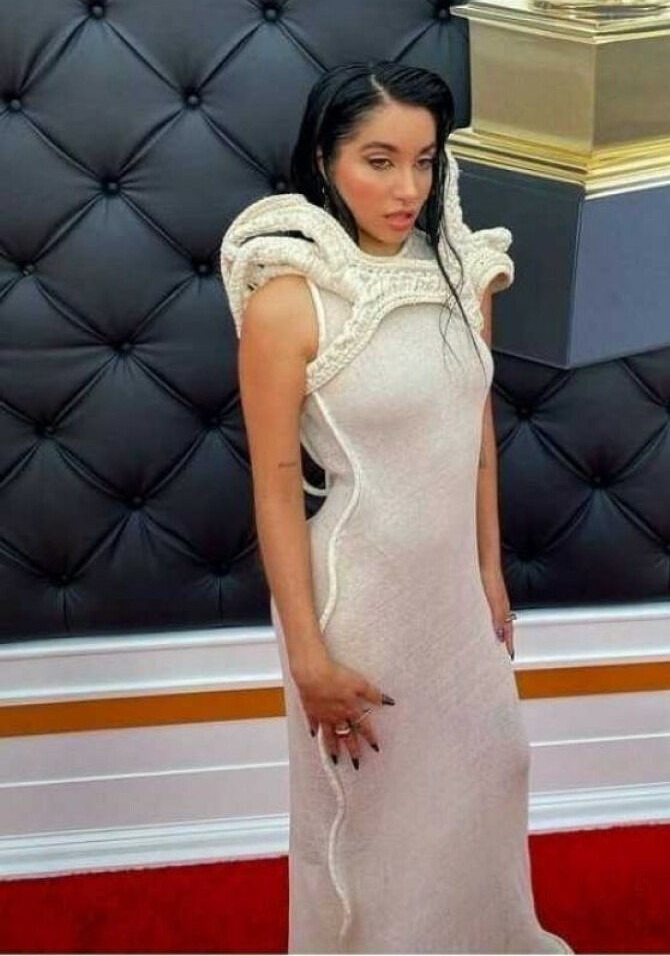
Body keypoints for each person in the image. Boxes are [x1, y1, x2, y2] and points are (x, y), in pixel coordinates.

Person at [219, 61, 573, 954]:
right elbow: (274, 485)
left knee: (494, 771)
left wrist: (489, 570)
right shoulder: (287, 301)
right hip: (358, 600)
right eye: (379, 161)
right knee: (378, 824)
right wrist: (307, 657)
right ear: (325, 159)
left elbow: (476, 431)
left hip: (452, 592)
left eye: (424, 160)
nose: (406, 187)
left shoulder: (462, 273)